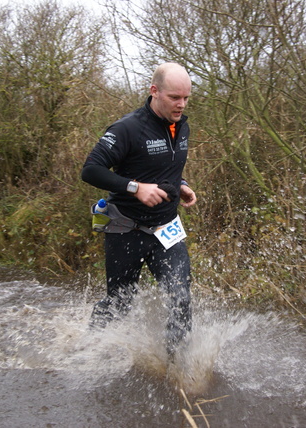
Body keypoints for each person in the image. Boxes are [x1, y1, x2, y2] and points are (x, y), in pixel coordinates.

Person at [81, 62, 197, 356]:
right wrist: (135, 187)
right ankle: (88, 351)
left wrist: (179, 184)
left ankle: (177, 369)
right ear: (154, 91)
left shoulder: (181, 125)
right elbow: (91, 170)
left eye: (186, 97)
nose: (181, 104)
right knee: (120, 303)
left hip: (167, 229)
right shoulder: (127, 128)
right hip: (126, 229)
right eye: (174, 97)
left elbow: (162, 166)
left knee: (180, 297)